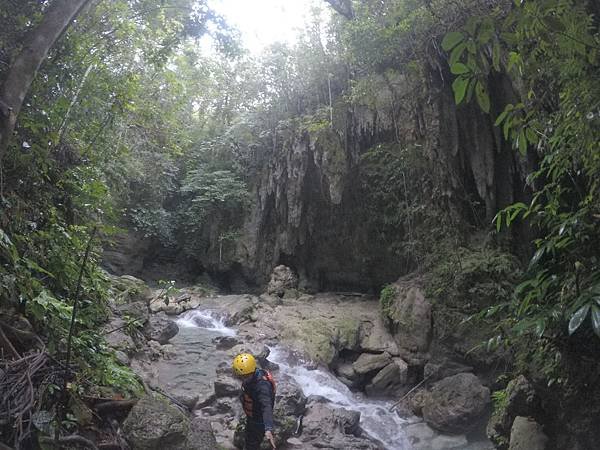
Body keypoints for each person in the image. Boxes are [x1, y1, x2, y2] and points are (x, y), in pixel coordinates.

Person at [232, 353, 277, 449]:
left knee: (252, 445)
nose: (243, 379)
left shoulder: (262, 387)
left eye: (245, 376)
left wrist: (268, 428)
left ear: (252, 371)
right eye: (241, 377)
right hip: (252, 417)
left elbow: (266, 406)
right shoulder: (253, 375)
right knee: (249, 439)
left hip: (259, 422)